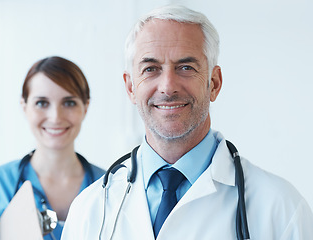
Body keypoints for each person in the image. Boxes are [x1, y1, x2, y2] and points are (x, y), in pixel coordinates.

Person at [61, 5, 313, 240]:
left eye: (186, 67)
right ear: (130, 88)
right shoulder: (91, 209)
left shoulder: (280, 209)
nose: (168, 86)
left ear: (214, 83)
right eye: (150, 68)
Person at [0, 56, 105, 239]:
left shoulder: (110, 188)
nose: (55, 117)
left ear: (86, 107)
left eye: (69, 102)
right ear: (24, 106)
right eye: (42, 103)